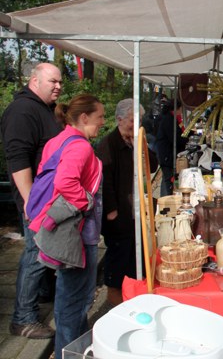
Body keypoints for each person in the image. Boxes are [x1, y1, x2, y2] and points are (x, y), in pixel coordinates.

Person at [28, 94, 105, 358]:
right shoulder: (80, 146)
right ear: (84, 118)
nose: (102, 123)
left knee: (70, 297)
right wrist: (86, 202)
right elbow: (65, 182)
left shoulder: (56, 141)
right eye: (100, 117)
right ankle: (68, 353)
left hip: (63, 230)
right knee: (74, 300)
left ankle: (78, 351)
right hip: (78, 233)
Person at [1, 63, 63, 339]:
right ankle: (23, 318)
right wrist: (30, 200)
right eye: (53, 81)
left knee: (44, 251)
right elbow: (17, 160)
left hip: (46, 196)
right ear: (34, 80)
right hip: (35, 199)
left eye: (60, 81)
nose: (59, 86)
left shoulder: (43, 108)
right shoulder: (22, 111)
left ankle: (42, 297)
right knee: (35, 254)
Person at [96, 98, 158, 306]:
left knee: (135, 261)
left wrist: (141, 146)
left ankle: (133, 301)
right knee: (117, 264)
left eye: (138, 120)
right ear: (119, 119)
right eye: (132, 120)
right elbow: (105, 181)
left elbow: (153, 164)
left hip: (135, 213)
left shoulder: (135, 141)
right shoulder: (108, 144)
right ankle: (114, 306)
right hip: (118, 216)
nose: (135, 124)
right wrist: (112, 211)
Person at [155, 100, 187, 196]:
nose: (181, 112)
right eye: (181, 109)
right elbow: (175, 138)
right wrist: (186, 140)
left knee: (167, 178)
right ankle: (165, 201)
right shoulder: (169, 120)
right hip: (167, 155)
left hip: (167, 154)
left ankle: (165, 199)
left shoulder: (171, 118)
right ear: (176, 109)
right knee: (168, 179)